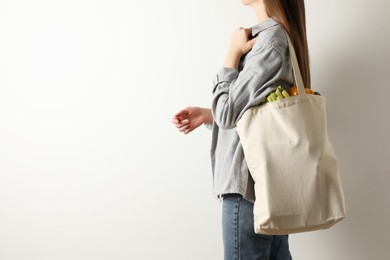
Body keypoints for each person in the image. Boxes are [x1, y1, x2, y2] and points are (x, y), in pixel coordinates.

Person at [172, 0, 310, 259]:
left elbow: (228, 113)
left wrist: (231, 55)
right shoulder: (276, 37)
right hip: (267, 184)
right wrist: (208, 115)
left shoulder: (269, 42)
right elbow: (255, 110)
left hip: (247, 186)